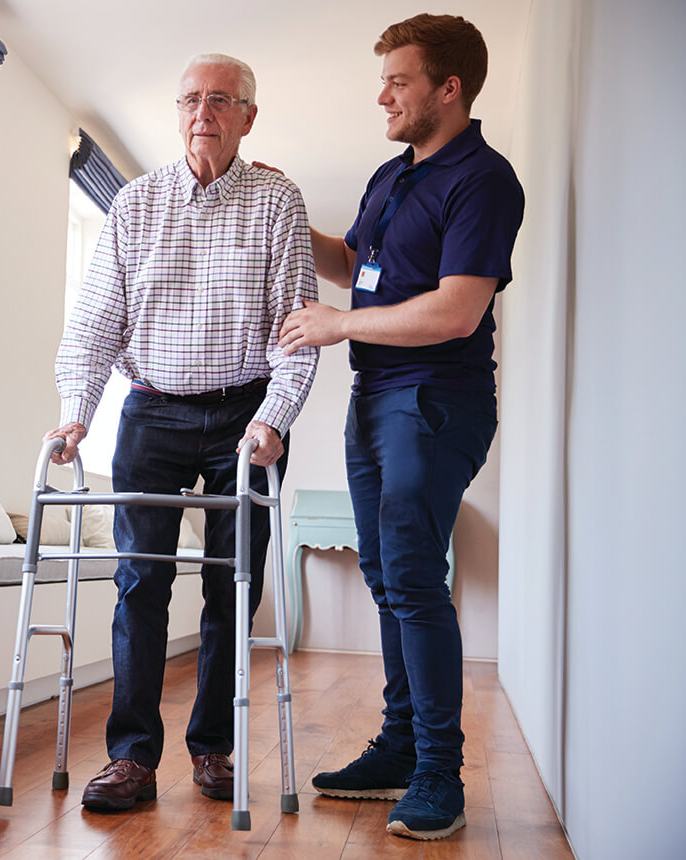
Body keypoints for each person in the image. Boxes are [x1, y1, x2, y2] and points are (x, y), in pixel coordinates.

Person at [49, 53, 318, 812]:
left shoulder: (276, 200)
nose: (203, 112)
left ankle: (215, 750)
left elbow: (295, 330)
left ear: (247, 117)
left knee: (231, 586)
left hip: (245, 414)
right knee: (140, 582)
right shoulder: (134, 203)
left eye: (221, 100)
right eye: (191, 100)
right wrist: (76, 411)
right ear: (178, 113)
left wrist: (273, 419)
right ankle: (132, 760)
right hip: (152, 409)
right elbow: (97, 320)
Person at [277, 14, 525, 841]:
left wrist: (338, 326)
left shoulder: (482, 180)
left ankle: (437, 776)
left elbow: (457, 310)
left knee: (412, 577)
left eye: (398, 81)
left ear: (447, 89)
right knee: (387, 577)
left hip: (434, 401)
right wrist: (286, 214)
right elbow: (356, 264)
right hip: (374, 398)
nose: (381, 94)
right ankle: (396, 748)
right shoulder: (392, 175)